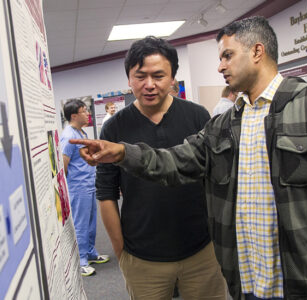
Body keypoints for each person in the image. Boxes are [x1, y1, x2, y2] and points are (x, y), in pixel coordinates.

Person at [72, 17, 307, 300]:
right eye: (220, 58)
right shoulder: (223, 126)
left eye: (227, 56)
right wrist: (122, 152)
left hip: (302, 285)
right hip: (246, 283)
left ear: (257, 52)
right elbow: (172, 162)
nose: (220, 66)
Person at [97, 36, 228, 300]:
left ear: (172, 79)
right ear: (129, 79)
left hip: (201, 251)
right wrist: (120, 251)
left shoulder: (197, 116)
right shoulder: (114, 127)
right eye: (140, 76)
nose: (149, 85)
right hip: (142, 257)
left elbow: (214, 178)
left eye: (158, 75)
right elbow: (106, 193)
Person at [60, 99, 109, 277]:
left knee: (90, 222)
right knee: (81, 224)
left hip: (88, 184)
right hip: (78, 187)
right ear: (74, 115)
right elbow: (63, 166)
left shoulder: (81, 131)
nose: (87, 113)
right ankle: (81, 261)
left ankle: (90, 253)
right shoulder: (68, 136)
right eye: (84, 111)